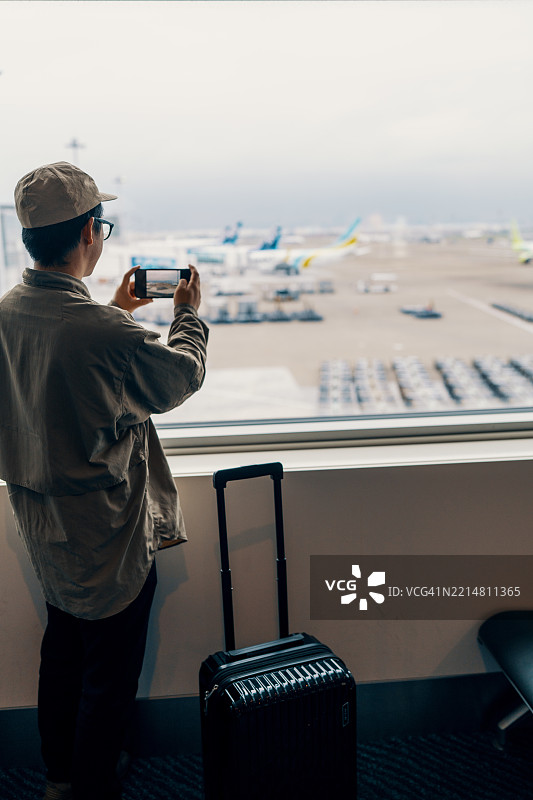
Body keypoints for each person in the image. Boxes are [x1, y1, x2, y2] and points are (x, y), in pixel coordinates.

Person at [0, 162, 209, 800]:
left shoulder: (9, 311)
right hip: (106, 530)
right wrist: (187, 315)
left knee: (62, 651)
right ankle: (90, 789)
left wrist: (115, 306)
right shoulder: (103, 331)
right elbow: (178, 379)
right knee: (109, 675)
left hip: (43, 522)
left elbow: (63, 376)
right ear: (90, 231)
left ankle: (58, 776)